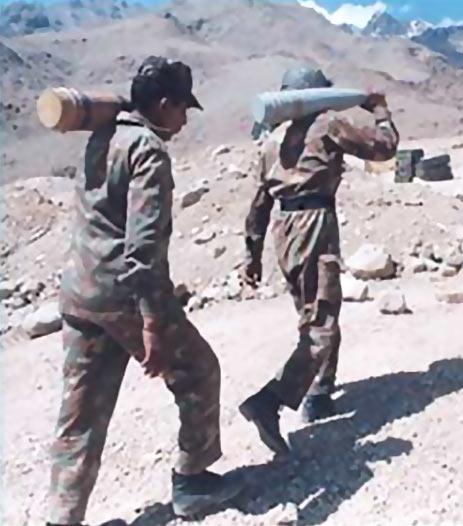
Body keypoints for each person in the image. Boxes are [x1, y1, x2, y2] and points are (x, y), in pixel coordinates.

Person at [46, 56, 243, 526]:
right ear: (162, 104)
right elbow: (144, 246)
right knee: (198, 372)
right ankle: (193, 482)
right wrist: (153, 322)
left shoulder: (101, 136)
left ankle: (62, 518)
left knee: (80, 415)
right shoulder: (147, 149)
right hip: (124, 298)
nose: (185, 119)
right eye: (182, 109)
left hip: (81, 295)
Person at [238, 66, 399, 455]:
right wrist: (381, 112)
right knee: (321, 323)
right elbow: (383, 149)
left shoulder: (270, 139)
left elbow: (259, 203)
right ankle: (270, 401)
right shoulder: (328, 124)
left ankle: (321, 391)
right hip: (314, 225)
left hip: (284, 229)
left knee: (313, 311)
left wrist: (252, 256)